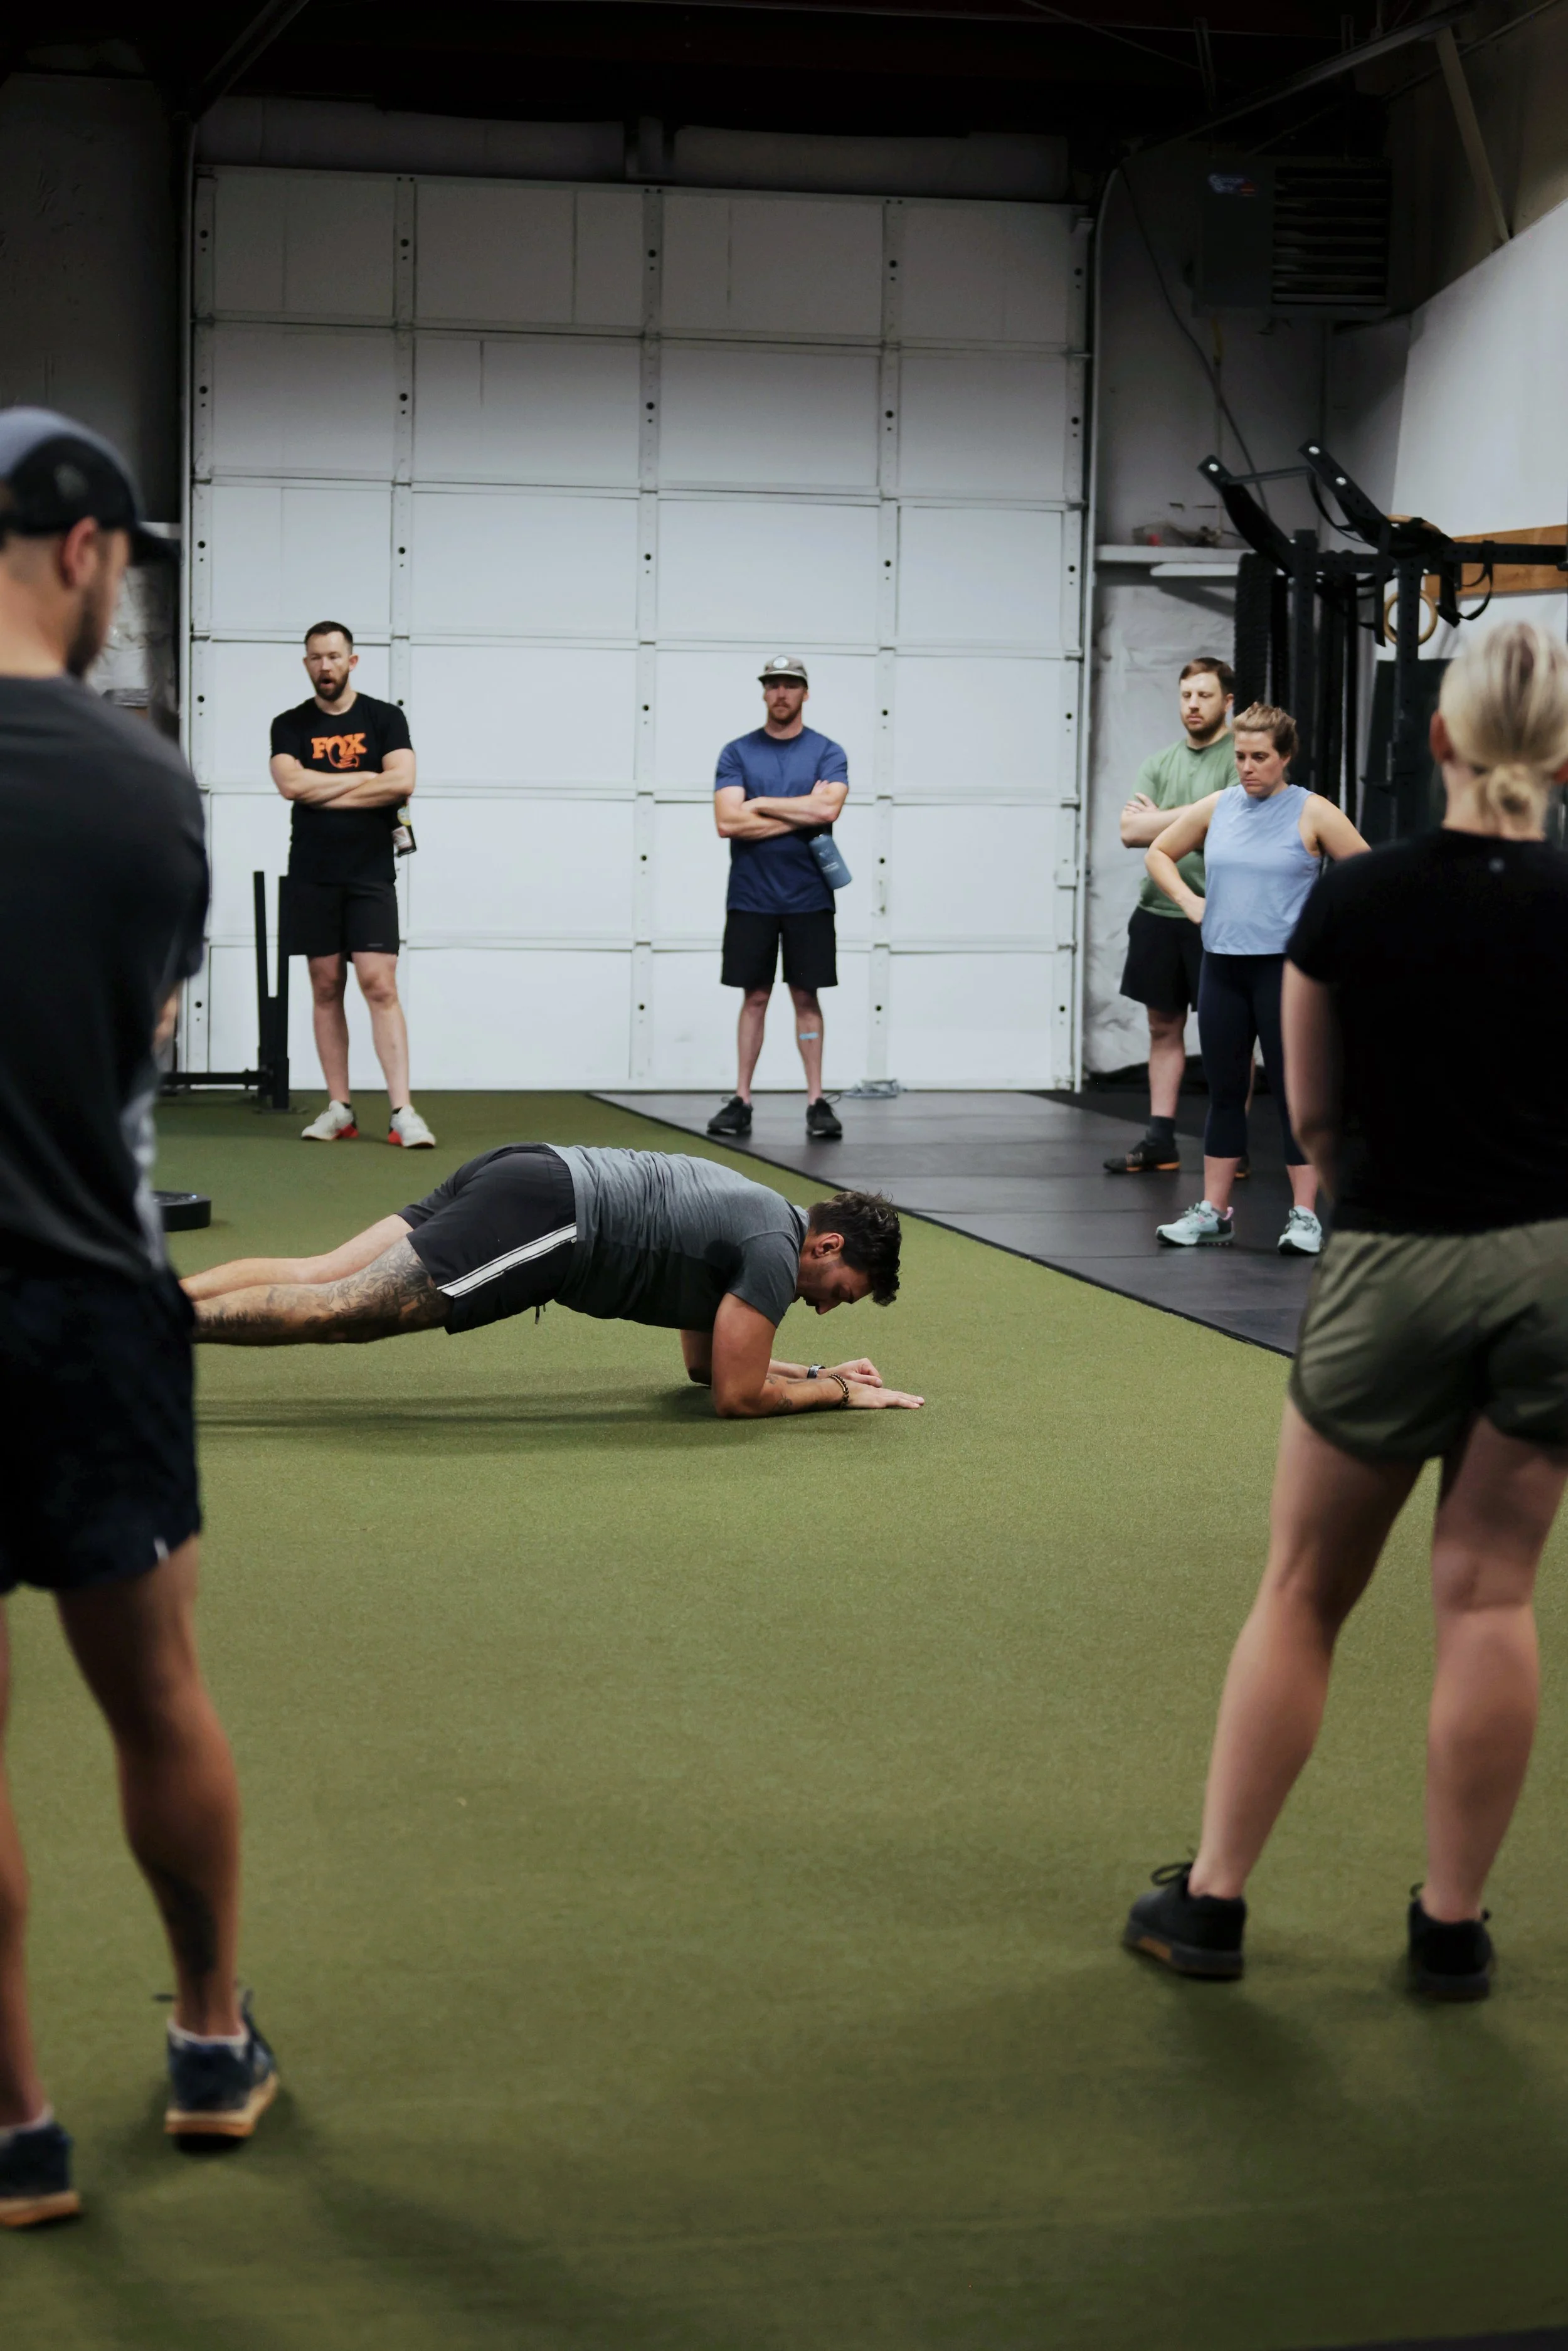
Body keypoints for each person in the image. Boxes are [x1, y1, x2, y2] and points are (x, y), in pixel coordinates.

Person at [1123, 621, 1568, 2001]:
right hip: (1546, 1270)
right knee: (1491, 1593)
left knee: (1305, 1592)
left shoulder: (1359, 902)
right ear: (1557, 756)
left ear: (1434, 741)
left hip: (1393, 1257)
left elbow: (1302, 1114)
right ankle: (1449, 1927)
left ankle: (1209, 1907)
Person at [0, 409, 276, 2229]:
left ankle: (13, 2128)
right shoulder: (141, 782)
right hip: (85, 1297)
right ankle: (203, 2038)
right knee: (156, 1693)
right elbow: (134, 1051)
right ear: (87, 550)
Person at [183, 1146, 923, 1414]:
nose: (824, 1309)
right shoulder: (771, 1247)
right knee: (348, 1309)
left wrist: (814, 1369)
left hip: (531, 1171)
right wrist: (838, 1391)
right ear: (825, 1244)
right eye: (837, 1292)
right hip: (552, 1212)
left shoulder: (763, 1223)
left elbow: (707, 1367)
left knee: (320, 1272)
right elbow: (736, 1397)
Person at [1143, 704, 1368, 1256]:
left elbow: (1369, 876)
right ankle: (1214, 1213)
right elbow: (1158, 852)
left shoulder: (1312, 812)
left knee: (1296, 1097)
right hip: (1222, 968)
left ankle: (1305, 1217)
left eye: (1260, 757)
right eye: (1241, 756)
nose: (1247, 767)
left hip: (1286, 975)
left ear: (1285, 757)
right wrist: (1190, 901)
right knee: (1225, 1093)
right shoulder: (1218, 807)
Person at [269, 622, 435, 1149]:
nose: (325, 667)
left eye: (334, 657)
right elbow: (289, 785)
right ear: (307, 664)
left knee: (379, 984)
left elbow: (403, 781)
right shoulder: (290, 724)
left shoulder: (385, 718)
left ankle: (403, 1111)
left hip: (369, 873)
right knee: (324, 986)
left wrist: (322, 790)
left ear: (352, 662)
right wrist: (366, 781)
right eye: (316, 658)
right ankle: (339, 1108)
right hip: (313, 872)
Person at [1104, 656, 1238, 1176]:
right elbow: (1130, 834)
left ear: (1227, 702)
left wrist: (1160, 821)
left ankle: (1234, 1143)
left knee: (1230, 1033)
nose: (1193, 705)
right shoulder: (1159, 763)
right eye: (1186, 696)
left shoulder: (1240, 759)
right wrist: (1202, 815)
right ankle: (1161, 1137)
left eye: (1204, 696)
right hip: (1159, 910)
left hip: (1219, 914)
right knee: (1163, 1026)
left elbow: (1228, 820)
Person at [706, 656, 849, 1145]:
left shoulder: (828, 752)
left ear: (805, 693)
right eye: (774, 686)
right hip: (752, 896)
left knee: (806, 997)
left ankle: (816, 1101)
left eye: (791, 685)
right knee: (756, 997)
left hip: (810, 897)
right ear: (764, 693)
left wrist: (761, 803)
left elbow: (829, 807)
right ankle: (742, 1098)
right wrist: (802, 812)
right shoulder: (738, 753)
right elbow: (727, 822)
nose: (782, 693)